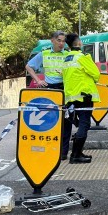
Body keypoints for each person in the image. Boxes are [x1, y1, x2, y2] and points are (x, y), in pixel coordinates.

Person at [26, 31, 73, 159]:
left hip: (64, 89)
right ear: (52, 40)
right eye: (59, 40)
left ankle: (63, 152)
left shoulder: (68, 55)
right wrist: (38, 80)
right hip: (50, 90)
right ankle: (49, 149)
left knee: (66, 121)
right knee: (50, 121)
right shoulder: (44, 53)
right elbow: (29, 66)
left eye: (63, 41)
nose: (61, 43)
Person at [63, 34, 101, 163]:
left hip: (71, 98)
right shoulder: (82, 57)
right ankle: (75, 155)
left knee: (80, 124)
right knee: (84, 124)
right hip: (84, 96)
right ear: (79, 43)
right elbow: (96, 74)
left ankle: (78, 152)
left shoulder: (67, 58)